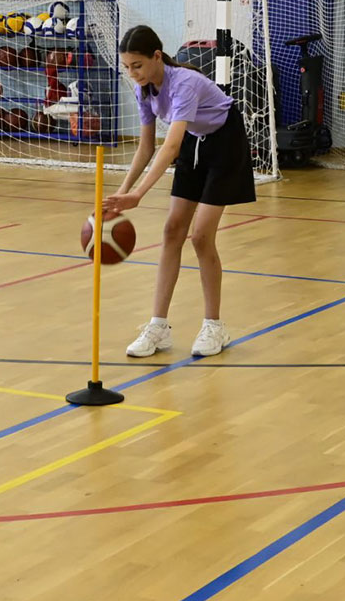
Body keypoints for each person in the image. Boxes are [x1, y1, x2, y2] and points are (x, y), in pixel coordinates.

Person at [107, 25, 256, 358]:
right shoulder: (144, 91)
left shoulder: (184, 83)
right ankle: (158, 326)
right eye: (127, 67)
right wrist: (122, 193)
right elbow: (146, 147)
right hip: (195, 141)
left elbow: (171, 146)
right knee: (172, 230)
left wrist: (139, 195)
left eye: (137, 66)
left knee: (201, 236)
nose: (132, 74)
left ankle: (214, 326)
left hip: (225, 143)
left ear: (157, 57)